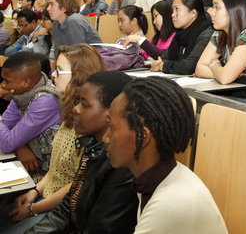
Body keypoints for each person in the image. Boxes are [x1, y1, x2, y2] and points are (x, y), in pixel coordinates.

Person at [0, 44, 105, 234]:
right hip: (44, 194)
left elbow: (76, 185)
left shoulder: (89, 125)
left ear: (79, 76)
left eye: (59, 70)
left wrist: (33, 209)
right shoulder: (69, 112)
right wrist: (35, 192)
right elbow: (57, 167)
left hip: (61, 209)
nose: (53, 75)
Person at [104, 76, 227, 234]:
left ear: (142, 136)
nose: (105, 137)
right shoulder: (155, 177)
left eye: (112, 127)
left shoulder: (170, 203)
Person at [26, 71, 138, 234]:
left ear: (112, 112)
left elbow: (101, 228)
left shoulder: (122, 165)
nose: (75, 109)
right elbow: (66, 209)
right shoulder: (93, 146)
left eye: (85, 105)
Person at [0, 53, 61, 181]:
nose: (3, 85)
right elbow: (7, 126)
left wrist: (14, 143)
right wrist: (20, 146)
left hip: (48, 175)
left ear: (27, 82)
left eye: (7, 81)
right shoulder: (22, 94)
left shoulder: (45, 101)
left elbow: (7, 142)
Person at [150, 0, 213, 75]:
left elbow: (188, 66)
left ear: (193, 13)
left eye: (177, 9)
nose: (172, 15)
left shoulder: (207, 34)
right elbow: (164, 58)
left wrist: (163, 66)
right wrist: (162, 64)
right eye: (172, 10)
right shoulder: (180, 33)